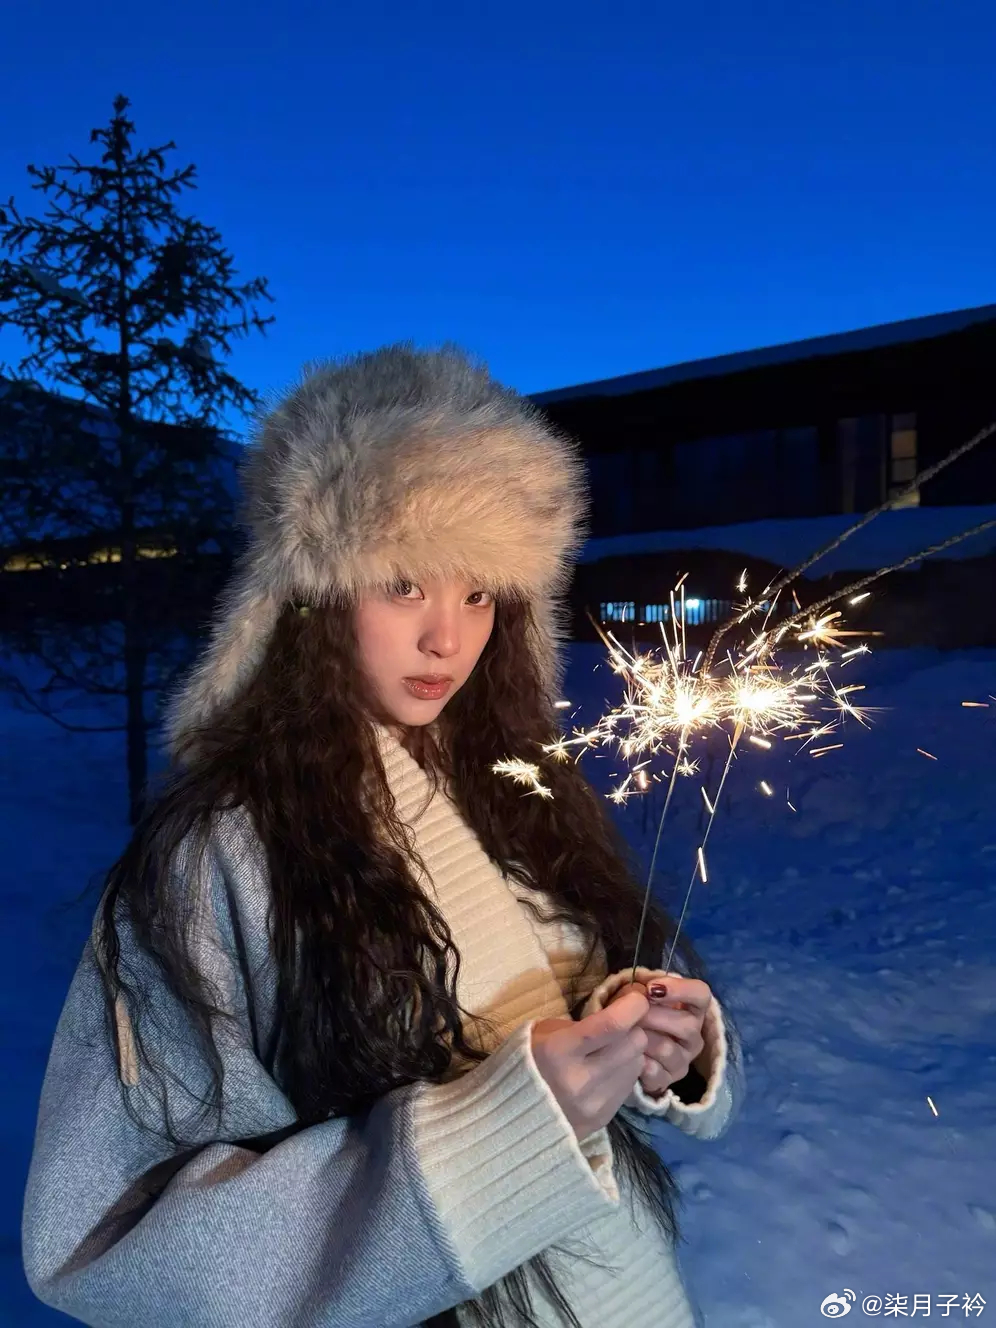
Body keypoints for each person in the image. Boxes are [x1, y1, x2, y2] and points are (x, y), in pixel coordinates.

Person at [22, 344, 742, 1328]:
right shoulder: (223, 853)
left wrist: (650, 1035)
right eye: (404, 582)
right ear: (315, 592)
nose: (449, 636)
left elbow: (557, 1009)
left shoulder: (518, 788)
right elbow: (111, 1243)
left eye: (480, 590)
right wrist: (508, 1136)